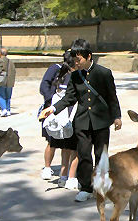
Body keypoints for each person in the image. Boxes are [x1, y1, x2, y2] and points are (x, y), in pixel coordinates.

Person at [40, 39, 122, 202]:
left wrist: (117, 116)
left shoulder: (104, 73)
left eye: (79, 59)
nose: (76, 63)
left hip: (101, 121)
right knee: (84, 155)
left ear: (88, 56)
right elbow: (69, 98)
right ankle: (85, 187)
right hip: (83, 121)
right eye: (74, 60)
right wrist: (53, 108)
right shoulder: (75, 76)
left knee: (101, 155)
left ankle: (101, 187)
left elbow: (112, 97)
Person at [39, 51, 79, 189]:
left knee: (66, 146)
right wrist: (51, 104)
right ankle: (49, 168)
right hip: (56, 113)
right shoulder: (57, 71)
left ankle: (64, 176)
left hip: (63, 114)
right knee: (55, 143)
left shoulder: (69, 76)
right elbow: (44, 86)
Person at [0, 48, 16, 117]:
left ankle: (4, 109)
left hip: (2, 81)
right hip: (10, 81)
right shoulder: (11, 62)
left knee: (0, 95)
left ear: (0, 54)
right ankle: (8, 110)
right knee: (8, 96)